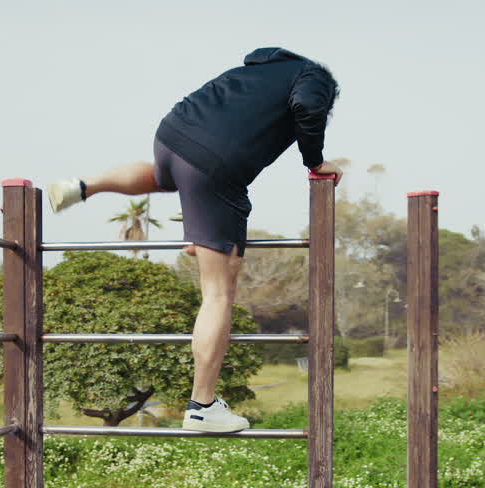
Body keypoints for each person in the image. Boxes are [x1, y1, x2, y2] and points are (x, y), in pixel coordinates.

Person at [47, 47, 342, 433]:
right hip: (215, 165)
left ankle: (83, 187)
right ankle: (202, 405)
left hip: (172, 137)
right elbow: (307, 105)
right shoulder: (314, 77)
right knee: (218, 292)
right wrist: (315, 160)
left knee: (162, 176)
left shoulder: (263, 70)